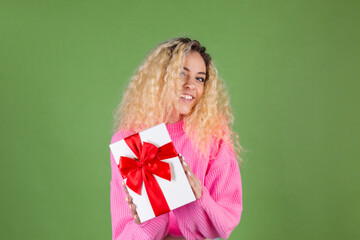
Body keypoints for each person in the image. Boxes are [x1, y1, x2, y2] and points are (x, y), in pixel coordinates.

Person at [109, 37, 243, 240]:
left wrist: (198, 198)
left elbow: (223, 225)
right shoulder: (131, 141)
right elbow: (124, 234)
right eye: (182, 74)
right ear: (161, 77)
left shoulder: (214, 138)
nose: (191, 85)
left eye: (199, 78)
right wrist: (148, 221)